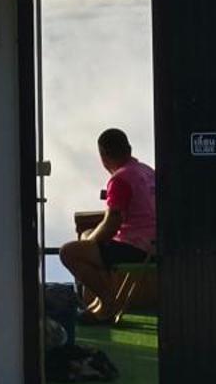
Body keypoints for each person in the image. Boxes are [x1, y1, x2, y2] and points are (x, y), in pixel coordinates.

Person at [58, 127, 157, 321]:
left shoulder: (120, 179)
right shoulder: (146, 171)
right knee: (87, 236)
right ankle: (100, 302)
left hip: (136, 247)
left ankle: (108, 301)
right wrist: (90, 239)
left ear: (103, 156)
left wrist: (90, 242)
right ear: (129, 148)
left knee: (69, 252)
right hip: (154, 243)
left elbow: (112, 222)